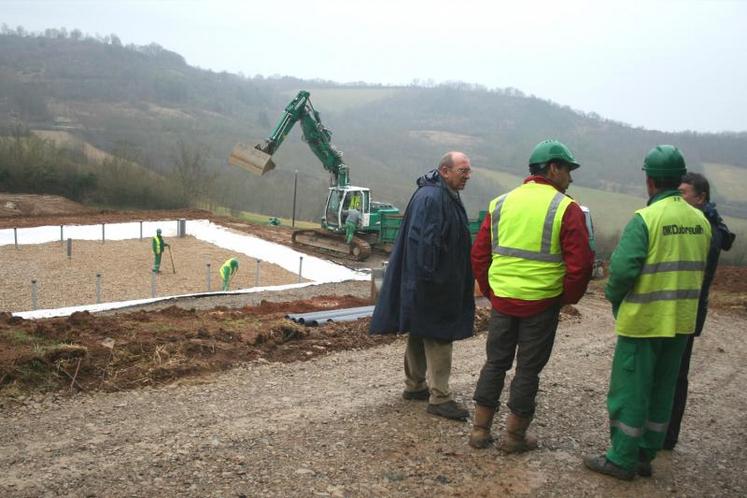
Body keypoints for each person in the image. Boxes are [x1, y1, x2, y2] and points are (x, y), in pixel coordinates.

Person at [584, 145, 711, 481]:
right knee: (662, 389)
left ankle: (622, 458)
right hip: (681, 322)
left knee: (631, 390)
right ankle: (645, 454)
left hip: (643, 322)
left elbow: (624, 270)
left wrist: (614, 297)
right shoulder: (700, 220)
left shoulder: (646, 219)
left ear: (650, 181)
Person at [469, 139, 594, 452]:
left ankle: (480, 431)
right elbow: (581, 266)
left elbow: (480, 255)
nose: (571, 177)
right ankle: (514, 438)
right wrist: (564, 298)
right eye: (567, 170)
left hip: (503, 301)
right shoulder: (567, 208)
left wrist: (492, 291)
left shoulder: (501, 203)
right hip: (541, 304)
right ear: (553, 168)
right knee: (527, 370)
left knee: (495, 363)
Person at [370, 151, 475, 421]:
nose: (467, 176)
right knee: (439, 334)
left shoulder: (442, 193)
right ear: (444, 170)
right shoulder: (433, 198)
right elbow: (425, 243)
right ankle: (440, 397)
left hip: (427, 279)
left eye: (468, 171)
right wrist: (432, 281)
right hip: (432, 280)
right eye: (463, 171)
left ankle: (415, 385)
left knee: (419, 329)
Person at [664, 173, 735, 449]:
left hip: (688, 310)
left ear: (701, 197)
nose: (678, 198)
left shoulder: (708, 229)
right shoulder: (705, 223)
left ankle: (667, 435)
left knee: (676, 374)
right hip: (682, 308)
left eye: (683, 193)